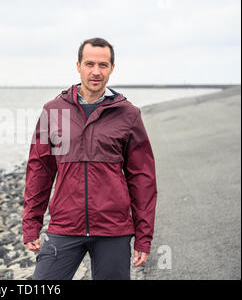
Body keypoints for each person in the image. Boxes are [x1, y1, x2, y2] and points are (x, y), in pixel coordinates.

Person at [22, 37, 157, 280]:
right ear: (78, 66)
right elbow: (39, 171)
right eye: (89, 64)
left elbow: (142, 178)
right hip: (64, 225)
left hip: (113, 229)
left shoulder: (129, 114)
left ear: (112, 68)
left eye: (103, 65)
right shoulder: (54, 110)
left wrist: (144, 237)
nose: (96, 71)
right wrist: (32, 224)